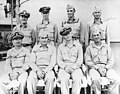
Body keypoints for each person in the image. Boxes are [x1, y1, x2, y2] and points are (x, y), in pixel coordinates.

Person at [85, 28, 120, 94]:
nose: (96, 37)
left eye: (98, 35)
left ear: (101, 36)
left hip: (106, 68)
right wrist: (97, 68)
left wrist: (106, 68)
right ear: (92, 37)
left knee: (116, 79)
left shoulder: (107, 47)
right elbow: (88, 61)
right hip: (94, 68)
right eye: (94, 35)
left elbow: (111, 60)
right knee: (95, 79)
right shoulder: (89, 48)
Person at [57, 27, 84, 94]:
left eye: (68, 33)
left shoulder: (78, 46)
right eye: (65, 35)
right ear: (63, 37)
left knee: (77, 79)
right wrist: (65, 67)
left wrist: (73, 67)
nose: (67, 36)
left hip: (76, 67)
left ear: (71, 33)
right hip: (64, 68)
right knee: (63, 79)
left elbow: (80, 60)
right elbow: (59, 60)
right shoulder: (60, 47)